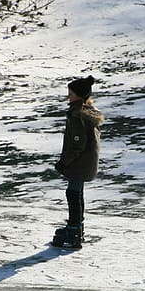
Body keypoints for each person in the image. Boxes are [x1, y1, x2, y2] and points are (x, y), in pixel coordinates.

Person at [52, 75, 104, 249]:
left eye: (71, 93)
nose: (68, 96)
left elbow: (77, 145)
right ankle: (77, 228)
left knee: (73, 194)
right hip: (86, 162)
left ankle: (73, 231)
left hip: (80, 163)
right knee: (76, 193)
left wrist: (64, 162)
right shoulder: (87, 112)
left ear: (79, 95)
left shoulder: (78, 116)